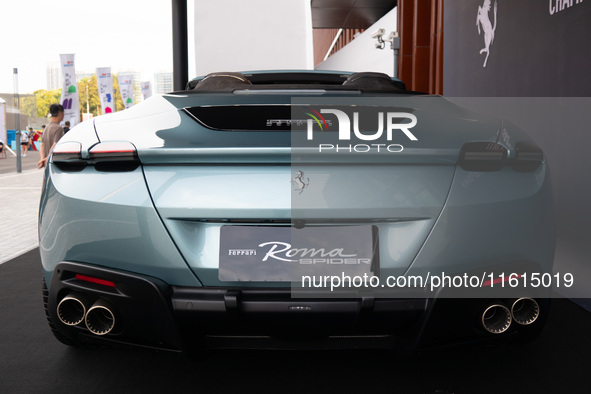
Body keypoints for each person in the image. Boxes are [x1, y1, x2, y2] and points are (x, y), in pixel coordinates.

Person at [38, 104, 65, 169]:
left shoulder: (47, 127)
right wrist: (47, 158)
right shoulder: (58, 128)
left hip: (47, 163)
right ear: (60, 113)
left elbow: (42, 144)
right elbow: (55, 145)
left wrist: (42, 159)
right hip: (54, 163)